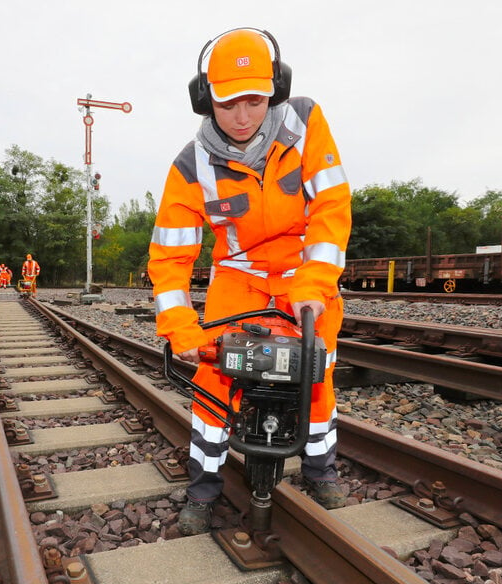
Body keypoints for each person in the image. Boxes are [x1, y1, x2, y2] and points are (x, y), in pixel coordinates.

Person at [147, 28, 351, 535]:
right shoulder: (189, 167)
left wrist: (316, 283)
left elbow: (331, 207)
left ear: (275, 90)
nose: (243, 117)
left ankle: (322, 470)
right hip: (237, 278)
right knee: (214, 376)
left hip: (304, 274)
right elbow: (170, 257)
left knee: (317, 368)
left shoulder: (306, 124)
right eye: (228, 103)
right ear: (204, 99)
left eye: (255, 101)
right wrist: (180, 326)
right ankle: (203, 488)